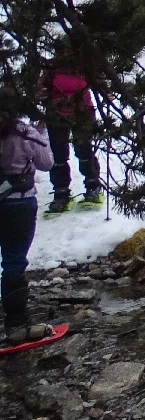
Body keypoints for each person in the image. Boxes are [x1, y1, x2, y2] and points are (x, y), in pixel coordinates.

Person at [0, 88, 56, 344]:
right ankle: (16, 324)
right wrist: (42, 132)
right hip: (19, 204)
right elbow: (47, 163)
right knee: (13, 262)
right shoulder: (26, 133)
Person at [39, 64, 102, 215]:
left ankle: (93, 185)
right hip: (57, 115)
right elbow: (41, 90)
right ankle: (62, 192)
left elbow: (99, 81)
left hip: (81, 112)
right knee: (59, 154)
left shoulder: (82, 64)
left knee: (83, 149)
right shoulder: (51, 69)